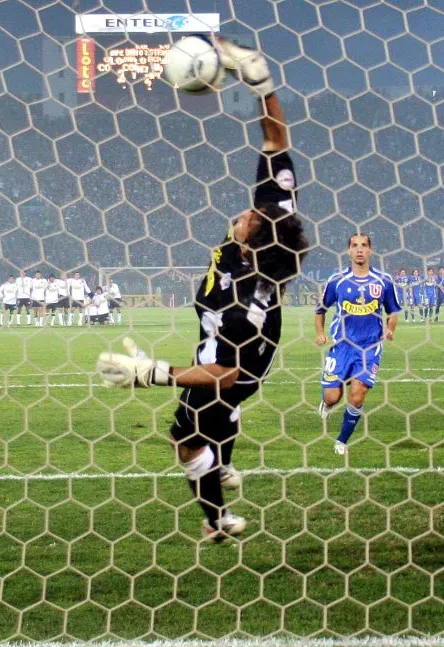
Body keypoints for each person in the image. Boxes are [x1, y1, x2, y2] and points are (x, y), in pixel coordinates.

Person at [97, 42, 308, 542]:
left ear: (253, 245)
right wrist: (261, 86)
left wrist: (155, 374)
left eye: (248, 218)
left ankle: (218, 518)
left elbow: (225, 371)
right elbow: (276, 141)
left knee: (187, 437)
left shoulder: (239, 306)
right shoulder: (275, 220)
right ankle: (225, 464)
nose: (243, 213)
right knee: (213, 420)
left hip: (233, 363)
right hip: (239, 349)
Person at [315, 234, 399, 456]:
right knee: (332, 396)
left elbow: (393, 312)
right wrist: (320, 333)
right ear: (349, 251)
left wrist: (390, 328)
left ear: (370, 250)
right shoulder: (337, 281)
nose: (359, 249)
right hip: (342, 346)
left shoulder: (384, 281)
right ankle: (327, 403)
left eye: (364, 245)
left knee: (357, 394)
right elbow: (320, 310)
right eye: (355, 246)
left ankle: (342, 440)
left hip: (370, 348)